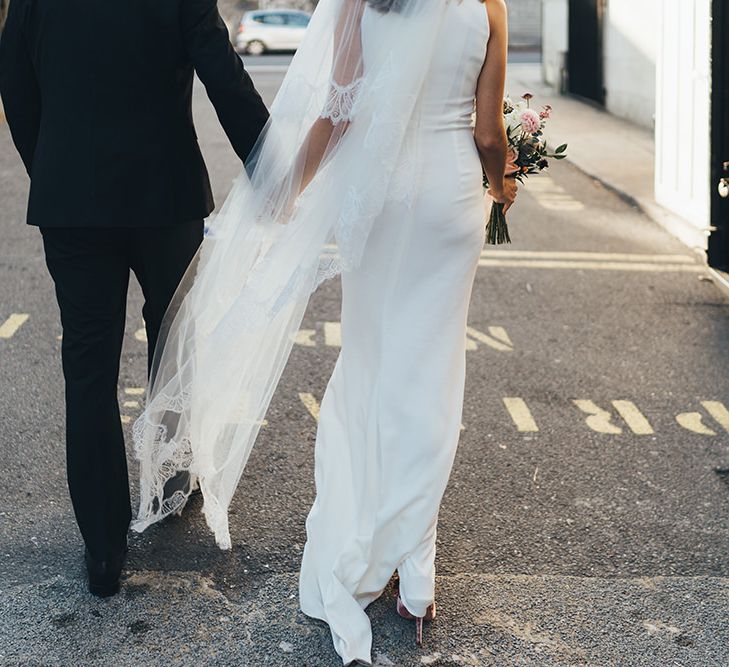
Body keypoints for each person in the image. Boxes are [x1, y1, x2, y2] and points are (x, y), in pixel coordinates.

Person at [132, 0, 516, 663]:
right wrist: (504, 182)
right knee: (432, 369)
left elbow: (340, 111)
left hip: (386, 199)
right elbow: (487, 133)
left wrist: (285, 191)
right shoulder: (488, 6)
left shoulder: (366, 4)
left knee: (371, 362)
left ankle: (379, 543)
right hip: (451, 204)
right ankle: (416, 576)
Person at [0, 0, 269, 598]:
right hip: (164, 194)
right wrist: (271, 168)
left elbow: (14, 76)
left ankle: (102, 548)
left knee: (89, 367)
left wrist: (50, 164)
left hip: (73, 199)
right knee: (174, 340)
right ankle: (169, 485)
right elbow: (222, 72)